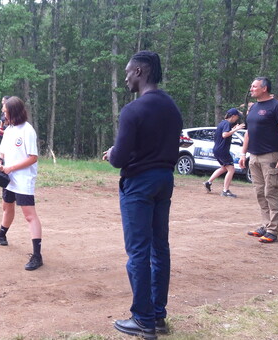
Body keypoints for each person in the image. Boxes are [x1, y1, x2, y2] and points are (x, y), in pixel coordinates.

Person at [104, 51, 183, 340]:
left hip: (138, 184)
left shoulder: (133, 110)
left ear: (139, 71)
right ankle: (158, 317)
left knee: (138, 251)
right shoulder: (172, 107)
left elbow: (120, 158)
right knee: (159, 248)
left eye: (128, 71)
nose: (125, 77)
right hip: (165, 179)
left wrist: (112, 153)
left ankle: (142, 321)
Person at [0, 96, 44, 271]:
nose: (3, 115)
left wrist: (10, 168)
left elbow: (33, 158)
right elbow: (1, 152)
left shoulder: (28, 130)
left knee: (29, 215)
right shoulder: (9, 130)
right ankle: (1, 236)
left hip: (23, 179)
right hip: (8, 178)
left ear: (14, 112)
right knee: (6, 206)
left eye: (5, 112)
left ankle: (37, 255)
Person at [239, 77, 278, 244]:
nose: (251, 89)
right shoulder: (253, 107)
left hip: (271, 156)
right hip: (254, 156)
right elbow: (248, 132)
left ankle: (272, 230)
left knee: (271, 192)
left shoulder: (277, 106)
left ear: (264, 88)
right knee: (260, 192)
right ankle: (265, 225)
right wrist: (243, 154)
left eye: (254, 86)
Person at [203, 108, 246, 198]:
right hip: (222, 150)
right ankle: (225, 191)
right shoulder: (227, 123)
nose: (237, 119)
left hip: (217, 149)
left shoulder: (222, 123)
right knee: (231, 169)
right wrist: (236, 129)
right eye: (237, 117)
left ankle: (208, 182)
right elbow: (224, 134)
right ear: (233, 116)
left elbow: (224, 134)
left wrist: (233, 129)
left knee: (224, 168)